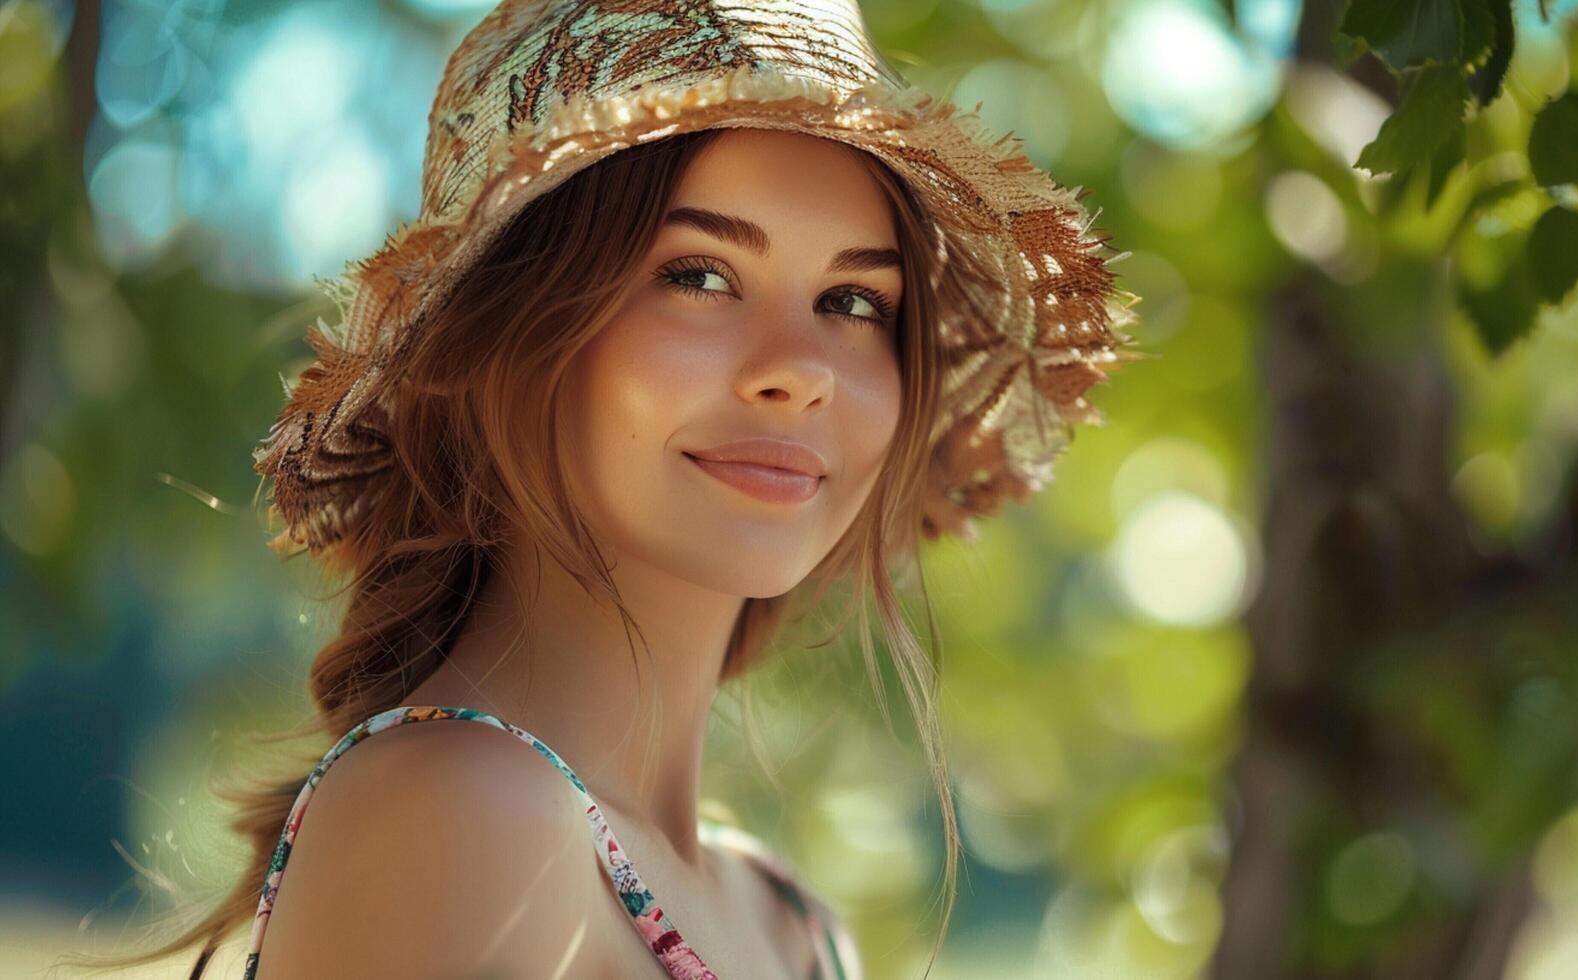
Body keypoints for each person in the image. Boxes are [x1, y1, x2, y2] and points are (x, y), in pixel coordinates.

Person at [64, 1, 1141, 977]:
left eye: (855, 300)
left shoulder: (798, 927)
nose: (802, 366)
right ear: (502, 339)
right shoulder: (460, 810)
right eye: (700, 275)